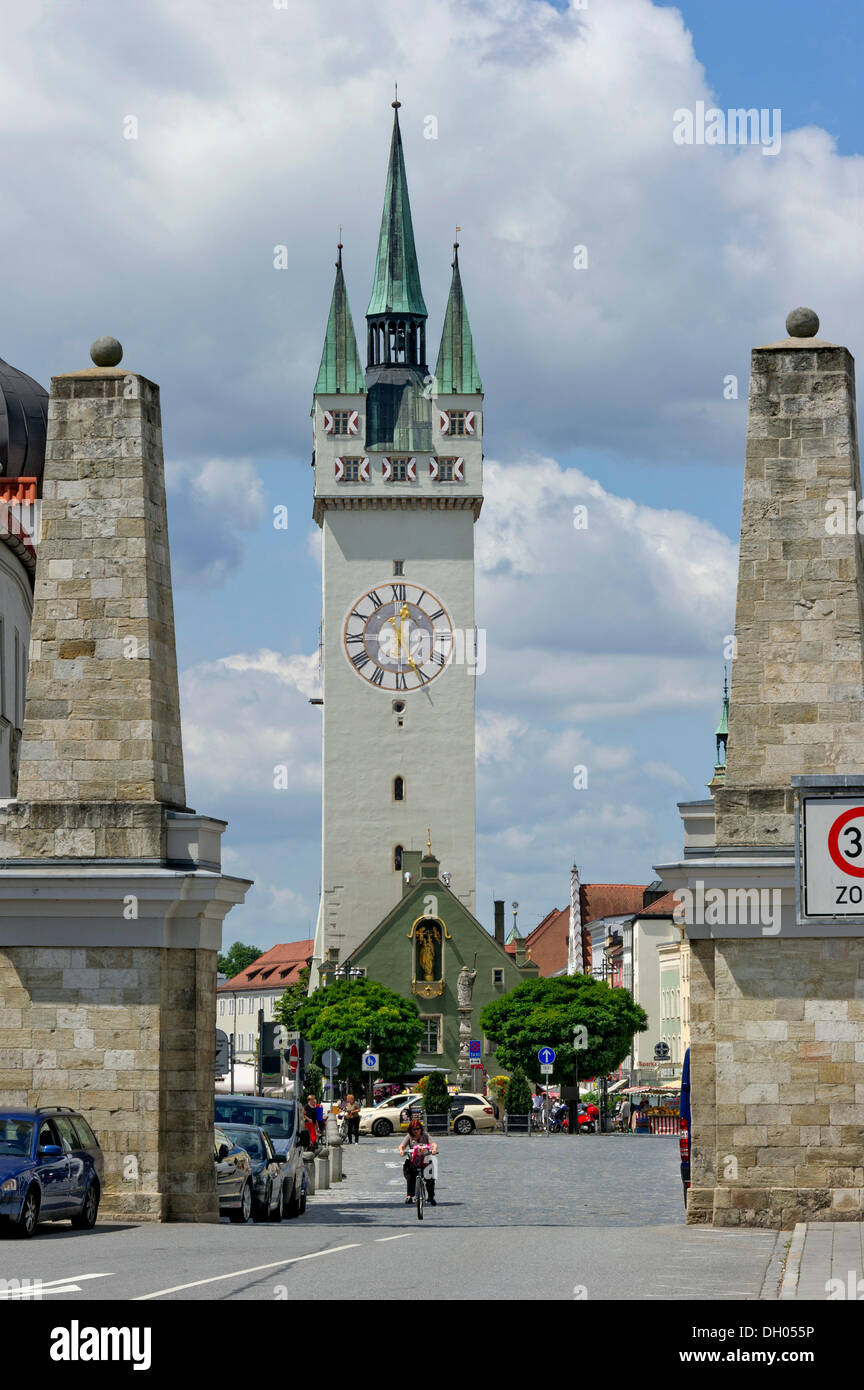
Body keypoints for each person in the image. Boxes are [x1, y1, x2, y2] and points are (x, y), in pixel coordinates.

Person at [398, 1114, 439, 1205]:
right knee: (410, 1175)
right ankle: (409, 1196)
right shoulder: (409, 1136)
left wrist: (434, 1150)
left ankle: (431, 1197)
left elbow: (434, 1144)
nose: (416, 1131)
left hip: (425, 1160)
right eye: (414, 1129)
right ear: (411, 1130)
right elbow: (402, 1146)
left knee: (430, 1177)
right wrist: (401, 1151)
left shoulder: (425, 1135)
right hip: (413, 1160)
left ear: (421, 1128)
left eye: (418, 1128)